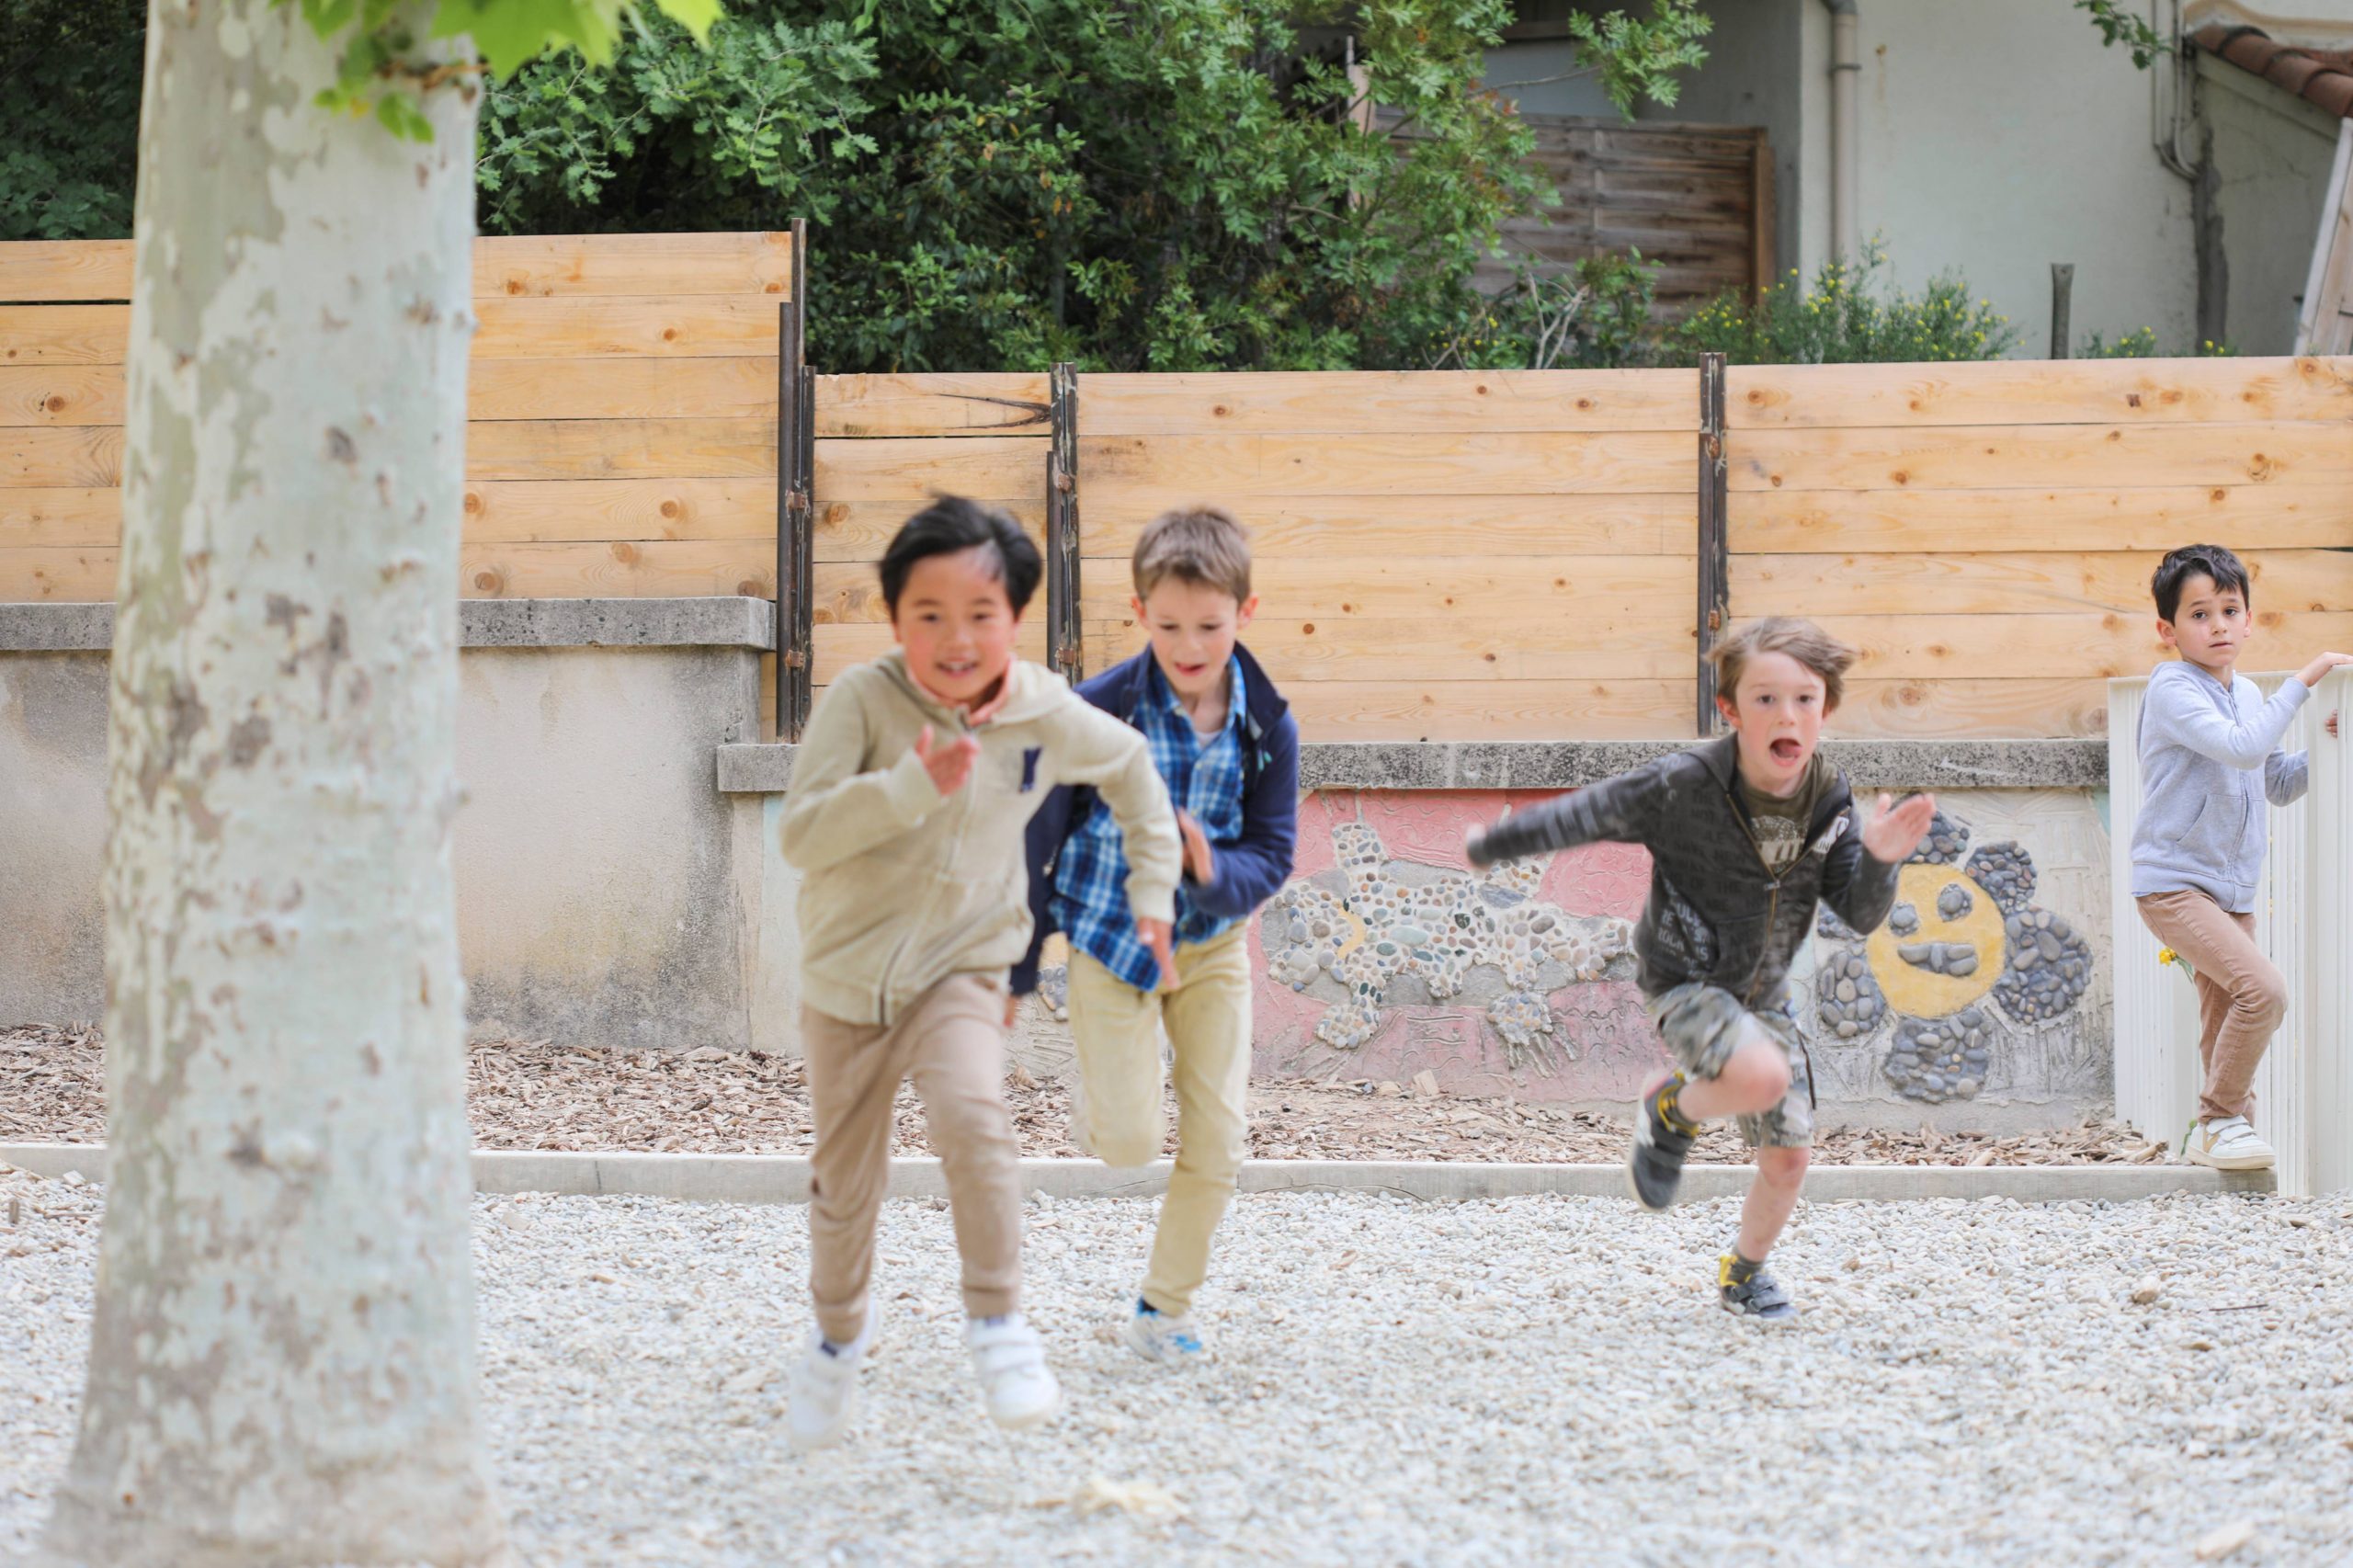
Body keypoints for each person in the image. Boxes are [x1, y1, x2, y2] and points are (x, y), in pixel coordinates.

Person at [777, 495, 1182, 1449]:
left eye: (980, 615)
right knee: (844, 1183)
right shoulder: (862, 700)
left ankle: (998, 1321)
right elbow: (801, 831)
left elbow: (1130, 768)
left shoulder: (1043, 710)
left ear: (1015, 620)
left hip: (963, 964)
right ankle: (837, 1339)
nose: (956, 638)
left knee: (973, 1117)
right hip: (846, 980)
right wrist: (911, 784)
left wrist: (1154, 887)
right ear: (894, 620)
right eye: (929, 615)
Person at [1466, 618, 1933, 1322]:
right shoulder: (1683, 784)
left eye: (1804, 700)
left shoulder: (1828, 797)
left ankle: (1743, 1274)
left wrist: (1882, 860)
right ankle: (1671, 1111)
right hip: (1685, 979)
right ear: (1731, 709)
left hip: (1764, 992)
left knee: (1788, 1159)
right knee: (1761, 1076)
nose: (1788, 716)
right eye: (1766, 699)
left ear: (1825, 710)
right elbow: (1586, 813)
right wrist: (1494, 842)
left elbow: (1858, 913)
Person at [1013, 506, 1299, 1364]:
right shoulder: (1098, 709)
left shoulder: (1266, 726)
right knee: (1130, 1144)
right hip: (1110, 943)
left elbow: (1274, 852)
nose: (1189, 645)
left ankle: (1161, 1310)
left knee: (1219, 1141)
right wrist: (1022, 955)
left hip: (1211, 948)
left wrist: (1213, 871)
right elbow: (1037, 828)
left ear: (1244, 614)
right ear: (1139, 613)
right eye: (1168, 625)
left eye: (1209, 626)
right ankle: (1104, 1100)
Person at [2130, 542, 2350, 1171]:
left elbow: (2274, 781)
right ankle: (2220, 1119)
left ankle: (2226, 1143)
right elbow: (2244, 750)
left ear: (2249, 619)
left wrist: (2333, 749)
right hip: (2173, 883)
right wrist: (2305, 683)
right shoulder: (2173, 689)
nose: (2219, 625)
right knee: (2265, 992)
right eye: (2200, 614)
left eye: (2230, 610)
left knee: (2224, 1013)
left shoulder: (2250, 693)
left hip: (2232, 890)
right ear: (2167, 630)